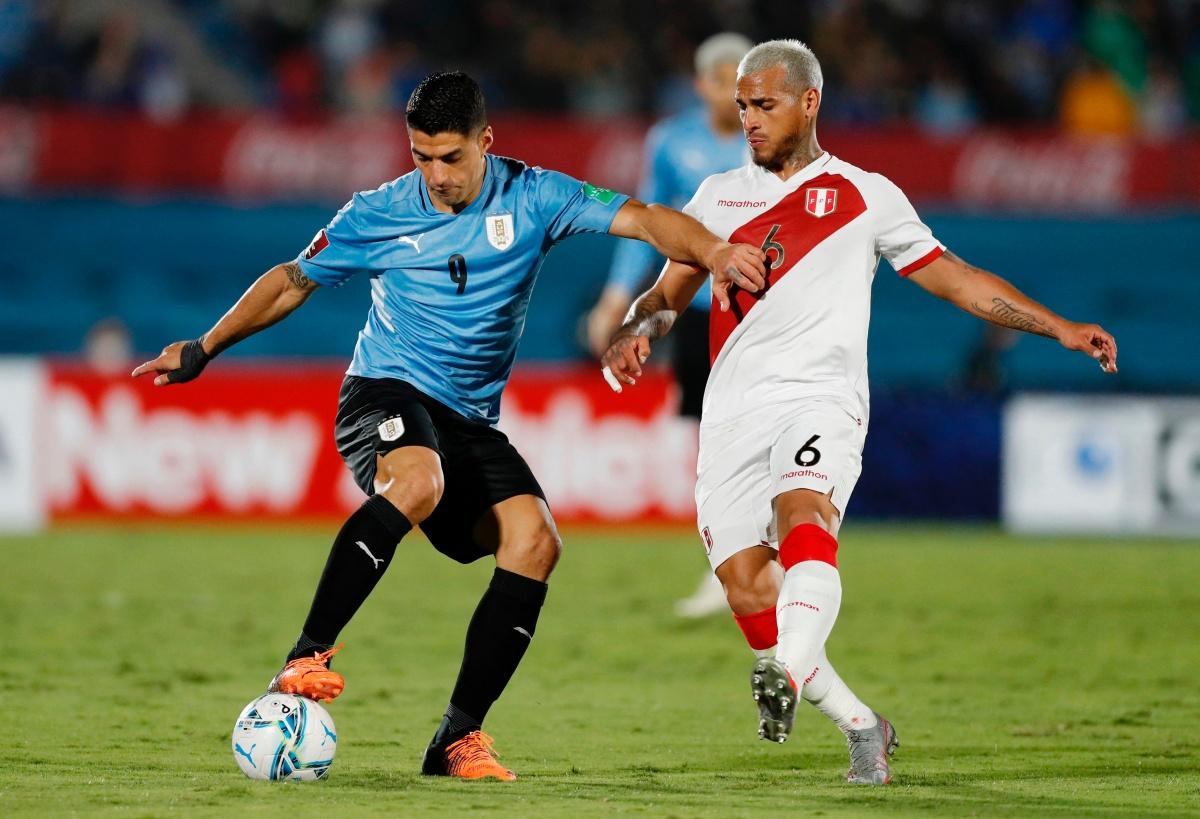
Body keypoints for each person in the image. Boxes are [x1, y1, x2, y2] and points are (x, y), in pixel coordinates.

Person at [133, 72, 766, 781]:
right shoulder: (379, 210)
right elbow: (290, 279)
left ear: (485, 142)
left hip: (466, 418)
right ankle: (304, 655)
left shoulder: (535, 195)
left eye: (450, 158)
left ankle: (456, 739)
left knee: (534, 542)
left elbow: (649, 219)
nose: (434, 175)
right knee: (419, 479)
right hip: (383, 391)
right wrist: (203, 347)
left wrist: (713, 253)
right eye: (420, 157)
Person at [601, 40, 1118, 786]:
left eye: (765, 104)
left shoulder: (864, 194)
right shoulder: (714, 197)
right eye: (743, 105)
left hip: (822, 399)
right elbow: (666, 295)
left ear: (809, 102)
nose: (748, 118)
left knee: (805, 510)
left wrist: (1058, 327)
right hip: (733, 414)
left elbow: (958, 280)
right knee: (748, 585)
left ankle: (781, 664)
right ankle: (861, 723)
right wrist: (637, 330)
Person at [586, 32, 752, 619]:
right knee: (709, 441)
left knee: (763, 433)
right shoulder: (671, 143)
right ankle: (729, 562)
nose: (739, 95)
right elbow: (646, 227)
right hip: (697, 313)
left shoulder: (775, 138)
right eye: (727, 81)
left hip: (761, 312)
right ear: (703, 84)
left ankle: (769, 558)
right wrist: (616, 299)